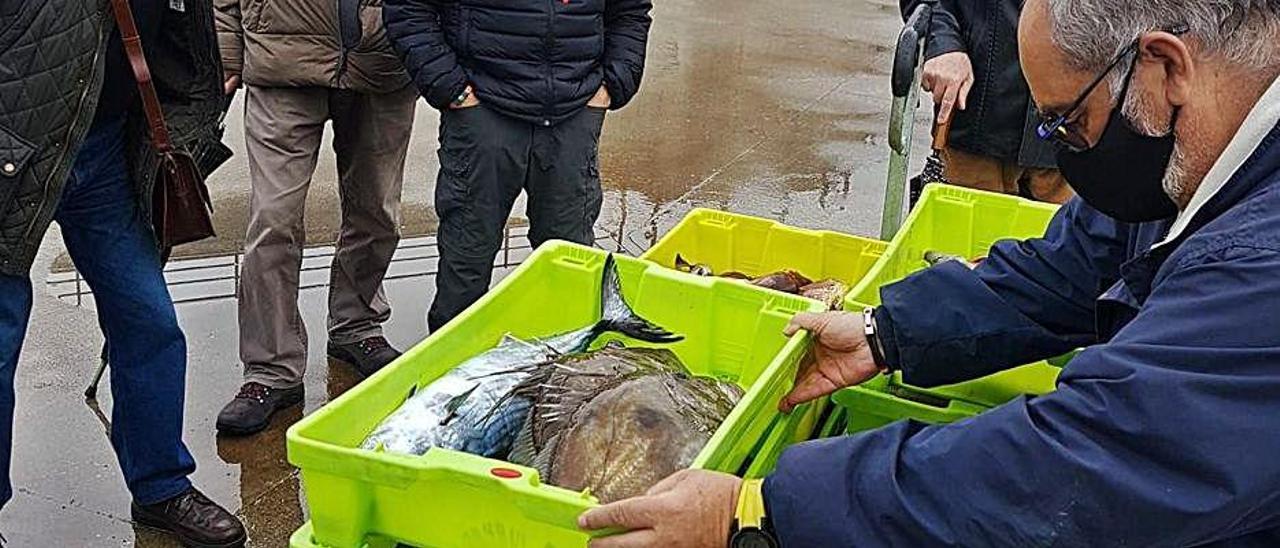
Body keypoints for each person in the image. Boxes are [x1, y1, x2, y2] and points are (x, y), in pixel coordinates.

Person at [578, 0, 1280, 545]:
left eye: (1070, 123)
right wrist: (887, 331)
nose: (1063, 151)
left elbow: (1093, 462)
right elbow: (1076, 263)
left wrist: (762, 510)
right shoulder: (1194, 162)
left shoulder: (1261, 261)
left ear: (1165, 65)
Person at [0, 0, 247, 545]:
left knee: (150, 323)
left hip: (104, 150)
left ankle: (161, 487)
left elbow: (187, 46)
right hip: (13, 157)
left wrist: (185, 129)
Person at [213, 0, 419, 435]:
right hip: (280, 57)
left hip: (382, 61)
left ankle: (355, 323)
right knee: (273, 219)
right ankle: (271, 369)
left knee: (377, 211)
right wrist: (227, 51)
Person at [384, 0, 653, 332]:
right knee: (468, 251)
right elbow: (409, 9)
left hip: (573, 109)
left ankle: (565, 366)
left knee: (568, 254)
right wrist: (450, 88)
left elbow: (629, 12)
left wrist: (613, 85)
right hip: (482, 108)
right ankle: (452, 363)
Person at [909, 0, 1073, 204]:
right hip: (978, 119)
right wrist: (943, 43)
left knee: (1072, 229)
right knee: (962, 230)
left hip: (1074, 128)